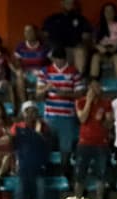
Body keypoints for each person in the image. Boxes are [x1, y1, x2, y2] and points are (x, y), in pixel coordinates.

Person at [37, 46, 84, 179]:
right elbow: (38, 95)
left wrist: (64, 93)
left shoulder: (74, 72)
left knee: (66, 148)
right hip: (49, 117)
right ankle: (47, 172)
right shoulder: (45, 72)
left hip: (67, 117)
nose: (58, 62)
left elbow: (80, 93)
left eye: (60, 59)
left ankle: (65, 173)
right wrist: (46, 88)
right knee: (46, 146)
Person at [74, 77, 113, 198]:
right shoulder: (80, 102)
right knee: (80, 175)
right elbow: (82, 119)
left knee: (101, 174)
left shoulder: (106, 103)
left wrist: (104, 119)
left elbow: (109, 123)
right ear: (89, 88)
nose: (96, 89)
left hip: (101, 144)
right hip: (84, 143)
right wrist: (89, 102)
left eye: (98, 87)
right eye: (93, 87)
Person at [10, 101, 52, 199]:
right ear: (23, 113)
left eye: (33, 111)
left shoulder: (43, 127)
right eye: (28, 111)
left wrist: (38, 132)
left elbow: (47, 144)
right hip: (23, 169)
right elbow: (12, 143)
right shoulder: (17, 127)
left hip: (39, 169)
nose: (31, 114)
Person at [42, 0, 92, 74]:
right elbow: (44, 35)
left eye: (72, 3)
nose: (70, 4)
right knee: (55, 52)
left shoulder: (81, 19)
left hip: (74, 49)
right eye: (67, 2)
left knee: (80, 51)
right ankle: (60, 78)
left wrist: (81, 44)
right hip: (57, 49)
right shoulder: (52, 19)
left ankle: (78, 79)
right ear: (62, 3)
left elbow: (86, 37)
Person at [89, 2, 117, 81]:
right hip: (103, 52)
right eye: (106, 11)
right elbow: (93, 43)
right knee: (95, 58)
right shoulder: (99, 27)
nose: (109, 13)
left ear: (115, 13)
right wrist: (98, 47)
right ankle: (93, 82)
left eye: (111, 11)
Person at [12, 24, 48, 104]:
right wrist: (22, 71)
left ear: (36, 32)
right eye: (25, 31)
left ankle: (40, 105)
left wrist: (41, 72)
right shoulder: (20, 46)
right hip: (26, 74)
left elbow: (50, 62)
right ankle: (24, 104)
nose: (27, 33)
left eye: (30, 31)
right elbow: (17, 63)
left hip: (41, 73)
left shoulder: (44, 47)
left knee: (43, 79)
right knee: (19, 74)